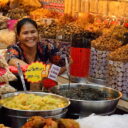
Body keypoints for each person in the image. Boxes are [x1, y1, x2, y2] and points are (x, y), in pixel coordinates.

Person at [5, 18, 69, 90]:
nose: (30, 36)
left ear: (38, 33)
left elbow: (67, 60)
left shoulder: (46, 46)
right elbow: (12, 60)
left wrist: (50, 74)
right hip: (18, 92)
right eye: (25, 33)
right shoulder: (14, 48)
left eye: (33, 32)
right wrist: (36, 73)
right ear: (18, 36)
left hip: (41, 91)